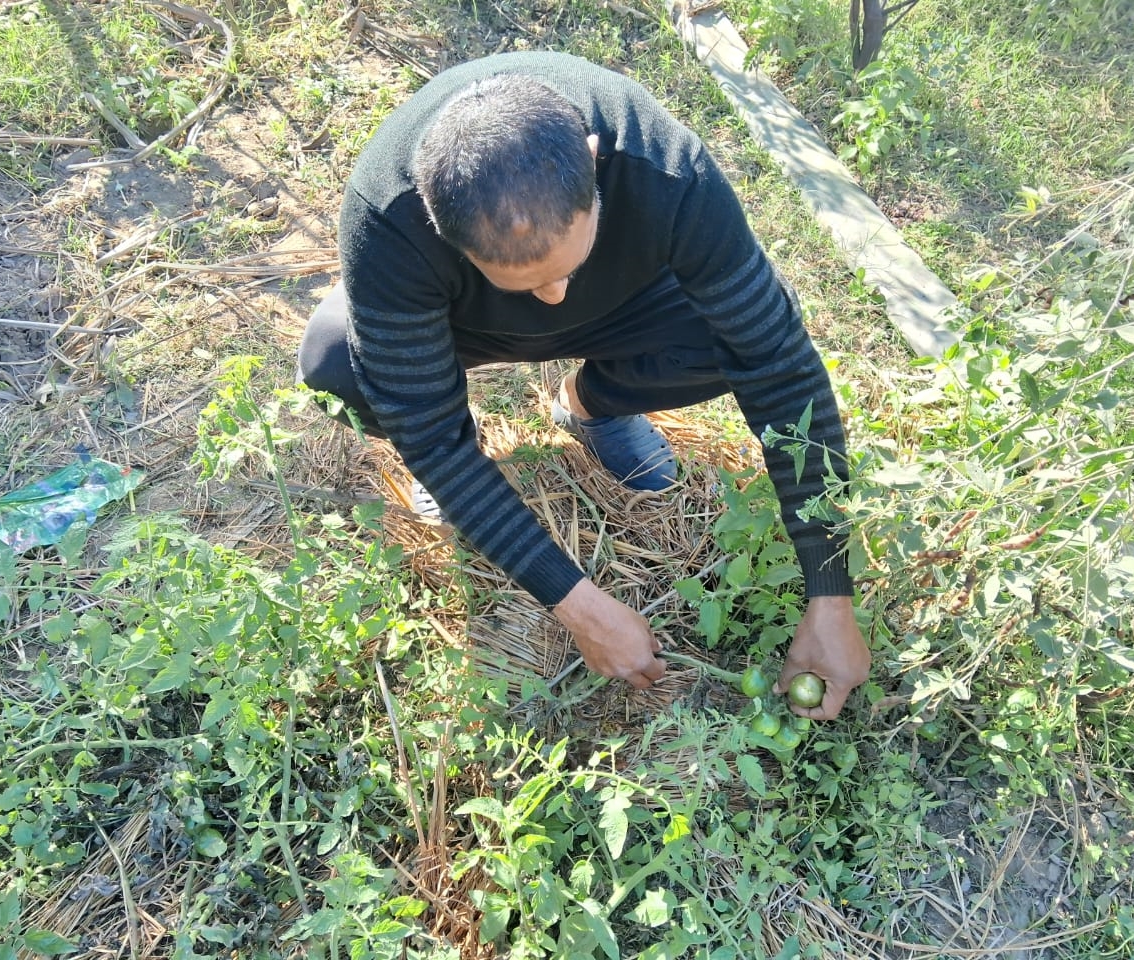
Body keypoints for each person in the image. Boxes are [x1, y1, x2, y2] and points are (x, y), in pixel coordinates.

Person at [298, 51, 870, 719]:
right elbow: (424, 431)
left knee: (749, 324)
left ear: (594, 159)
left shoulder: (666, 170)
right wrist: (578, 603)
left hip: (625, 304)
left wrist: (831, 593)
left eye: (565, 264)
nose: (553, 294)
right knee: (339, 369)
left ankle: (592, 409)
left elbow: (781, 365)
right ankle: (468, 464)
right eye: (528, 281)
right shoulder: (388, 220)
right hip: (467, 326)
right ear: (436, 224)